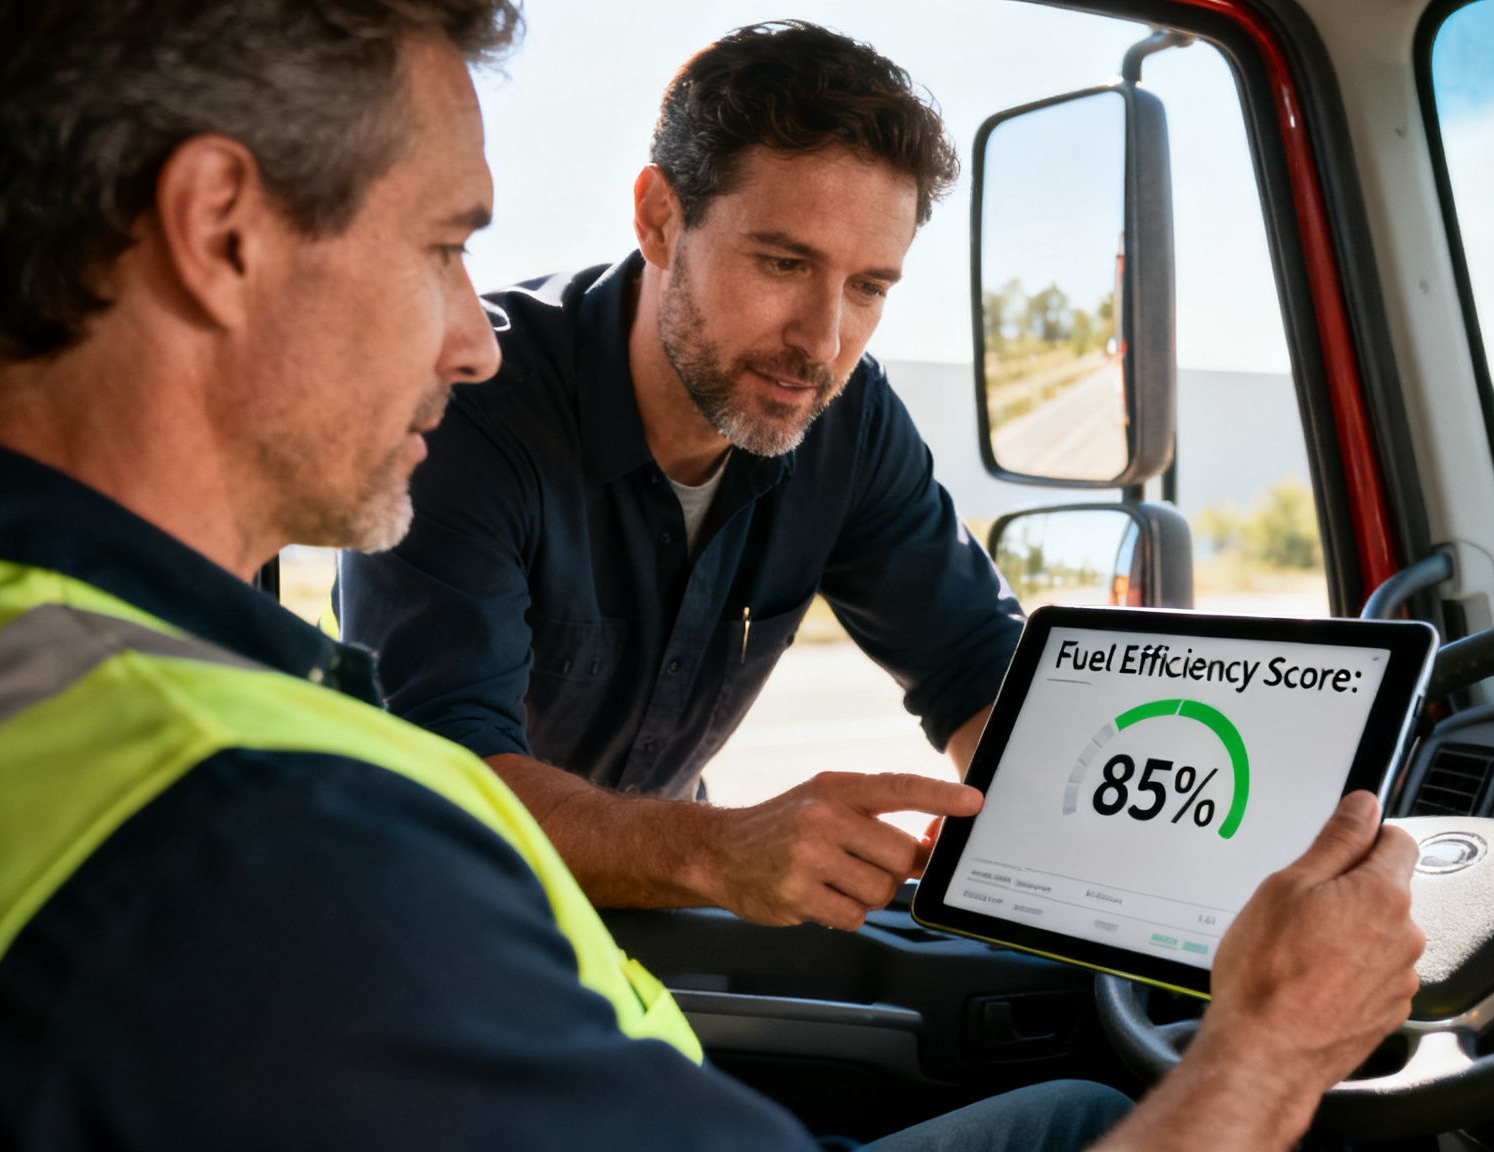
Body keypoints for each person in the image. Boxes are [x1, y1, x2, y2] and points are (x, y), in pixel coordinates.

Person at [0, 1, 1425, 1149]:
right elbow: (428, 804)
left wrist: (1183, 842)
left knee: (1074, 1093)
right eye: (441, 248)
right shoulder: (261, 840)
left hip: (573, 987)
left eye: (870, 286)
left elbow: (974, 674)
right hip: (550, 958)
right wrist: (1278, 1044)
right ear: (220, 231)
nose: (469, 335)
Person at [337, 22, 1018, 931]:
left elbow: (979, 673)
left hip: (651, 930)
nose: (822, 341)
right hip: (414, 923)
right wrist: (716, 850)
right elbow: (446, 778)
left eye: (868, 288)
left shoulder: (843, 420)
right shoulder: (470, 407)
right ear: (660, 219)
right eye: (784, 263)